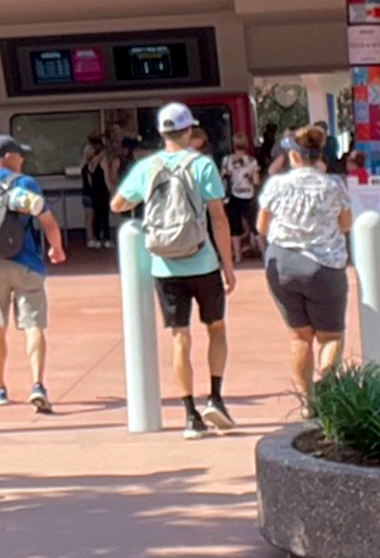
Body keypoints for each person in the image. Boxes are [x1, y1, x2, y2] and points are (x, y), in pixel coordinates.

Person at [113, 101, 238, 437]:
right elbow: (219, 219)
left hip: (164, 264)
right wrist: (228, 266)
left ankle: (189, 415)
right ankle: (215, 397)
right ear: (188, 131)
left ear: (161, 131)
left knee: (179, 338)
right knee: (215, 328)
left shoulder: (146, 167)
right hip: (203, 262)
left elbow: (118, 203)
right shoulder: (202, 165)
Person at [255, 128, 355, 406]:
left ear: (295, 156)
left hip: (283, 263)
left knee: (299, 336)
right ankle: (326, 385)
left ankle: (307, 401)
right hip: (325, 266)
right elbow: (346, 224)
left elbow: (261, 227)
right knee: (331, 335)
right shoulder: (333, 185)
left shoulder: (276, 185)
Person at [0, 133, 66, 412]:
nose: (22, 159)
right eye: (19, 155)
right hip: (26, 263)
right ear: (9, 158)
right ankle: (37, 384)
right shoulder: (24, 183)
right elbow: (47, 221)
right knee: (33, 325)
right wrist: (56, 249)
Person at [222, 137, 264, 264]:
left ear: (234, 145)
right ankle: (264, 253)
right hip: (248, 195)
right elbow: (256, 181)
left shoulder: (227, 160)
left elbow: (222, 176)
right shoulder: (252, 161)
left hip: (233, 196)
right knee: (255, 226)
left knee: (235, 227)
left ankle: (238, 255)